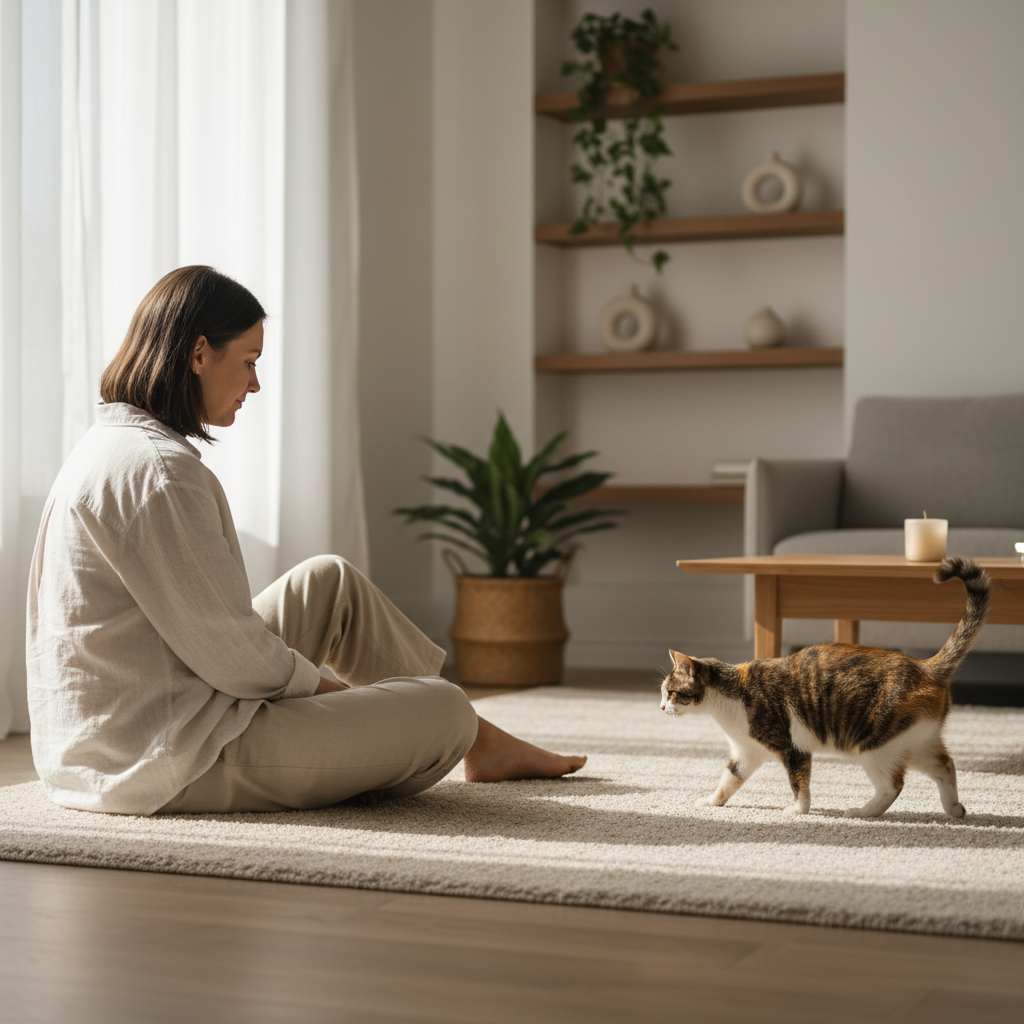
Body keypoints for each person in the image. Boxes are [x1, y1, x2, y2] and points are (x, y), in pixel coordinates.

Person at [26, 266, 585, 816]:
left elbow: (213, 642)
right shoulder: (159, 471)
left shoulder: (111, 448)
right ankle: (463, 738)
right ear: (199, 354)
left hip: (147, 720)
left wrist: (353, 716)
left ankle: (479, 746)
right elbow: (235, 659)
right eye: (248, 362)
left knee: (329, 581)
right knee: (447, 710)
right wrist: (341, 700)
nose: (254, 383)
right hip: (170, 756)